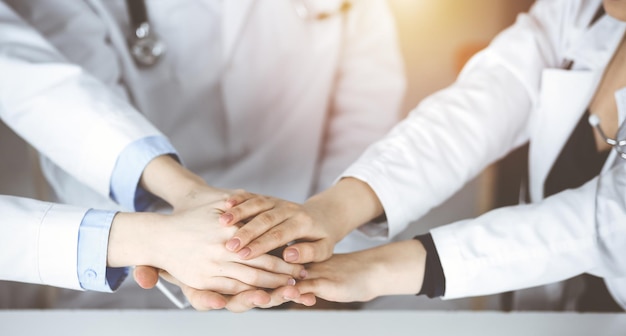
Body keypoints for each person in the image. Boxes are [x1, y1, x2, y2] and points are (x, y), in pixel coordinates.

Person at [221, 0, 626, 311]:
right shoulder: (582, 10)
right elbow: (488, 98)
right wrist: (333, 210)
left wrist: (380, 267)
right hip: (556, 312)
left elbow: (610, 221)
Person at [1, 0, 406, 308]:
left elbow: (367, 102)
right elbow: (57, 104)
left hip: (312, 261)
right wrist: (166, 241)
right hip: (137, 282)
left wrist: (324, 243)